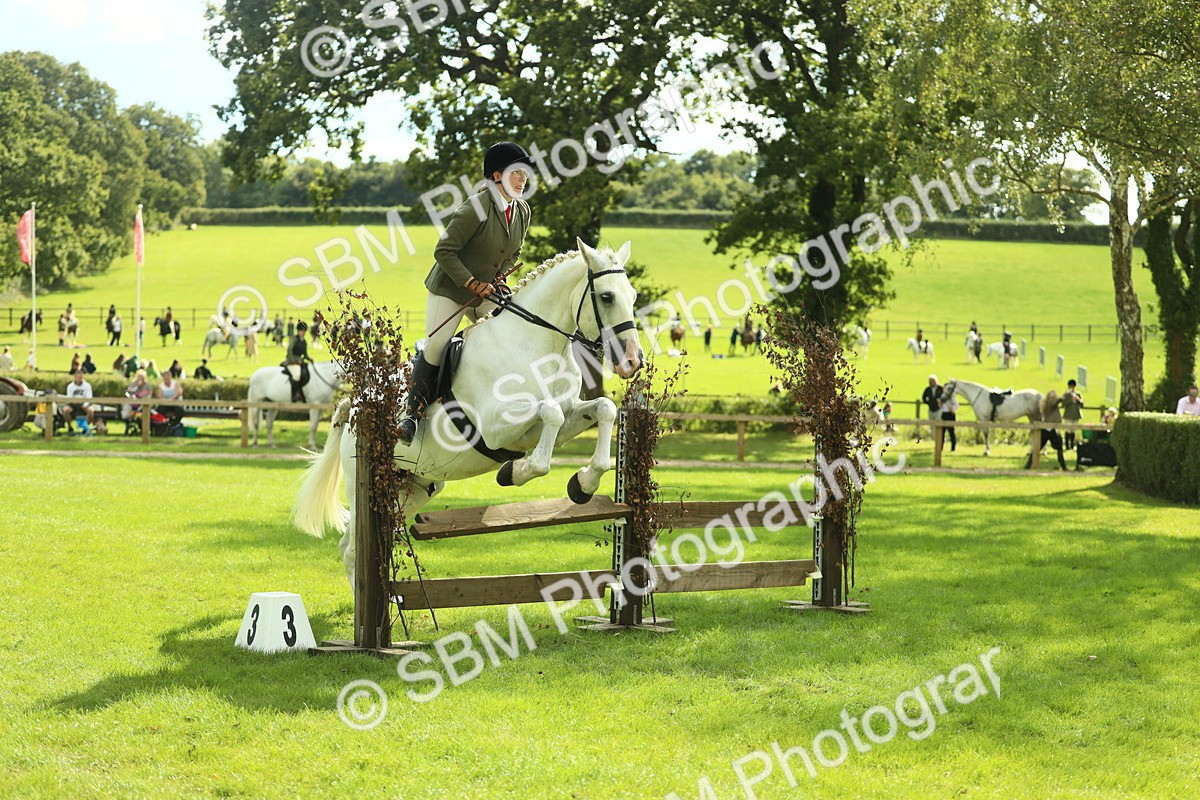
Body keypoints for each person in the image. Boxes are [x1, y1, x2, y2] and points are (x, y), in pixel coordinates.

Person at [400, 141, 534, 445]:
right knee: (436, 346)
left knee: (512, 334)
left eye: (525, 173)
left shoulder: (523, 210)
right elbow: (444, 251)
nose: (523, 178)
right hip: (451, 289)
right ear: (497, 176)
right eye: (517, 172)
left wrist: (500, 278)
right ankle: (410, 414)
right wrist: (472, 283)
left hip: (488, 290)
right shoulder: (476, 207)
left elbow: (514, 253)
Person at [1027, 390, 1067, 470]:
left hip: (1052, 429)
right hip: (1046, 429)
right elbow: (1053, 404)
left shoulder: (1052, 404)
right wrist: (1061, 398)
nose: (1053, 398)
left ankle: (1064, 466)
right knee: (1037, 448)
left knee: (1059, 447)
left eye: (1054, 397)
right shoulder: (1047, 404)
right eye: (1051, 397)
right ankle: (1028, 465)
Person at [1061, 379, 1084, 448]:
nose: (1071, 387)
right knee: (1068, 430)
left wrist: (1077, 400)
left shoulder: (1078, 394)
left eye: (1072, 386)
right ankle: (1067, 445)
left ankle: (1072, 445)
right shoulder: (1066, 394)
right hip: (1068, 415)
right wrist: (1070, 399)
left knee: (1073, 430)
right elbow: (1063, 403)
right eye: (1070, 386)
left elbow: (1082, 404)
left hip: (1076, 415)